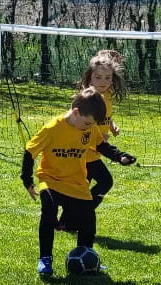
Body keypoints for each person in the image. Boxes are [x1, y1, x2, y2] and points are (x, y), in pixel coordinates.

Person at [21, 87, 136, 275]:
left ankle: (87, 253)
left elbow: (101, 145)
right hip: (51, 179)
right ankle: (45, 259)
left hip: (77, 183)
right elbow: (29, 152)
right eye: (87, 123)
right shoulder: (52, 129)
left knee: (88, 218)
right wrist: (27, 180)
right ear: (75, 112)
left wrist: (120, 157)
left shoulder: (88, 129)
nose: (89, 127)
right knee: (49, 209)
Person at [57, 51, 127, 230]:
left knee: (81, 187)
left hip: (95, 149)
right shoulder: (87, 98)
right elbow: (76, 121)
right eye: (98, 77)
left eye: (107, 77)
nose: (103, 82)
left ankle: (66, 222)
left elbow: (103, 116)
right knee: (105, 182)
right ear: (90, 78)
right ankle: (82, 214)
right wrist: (96, 135)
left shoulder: (107, 95)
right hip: (85, 150)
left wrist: (111, 125)